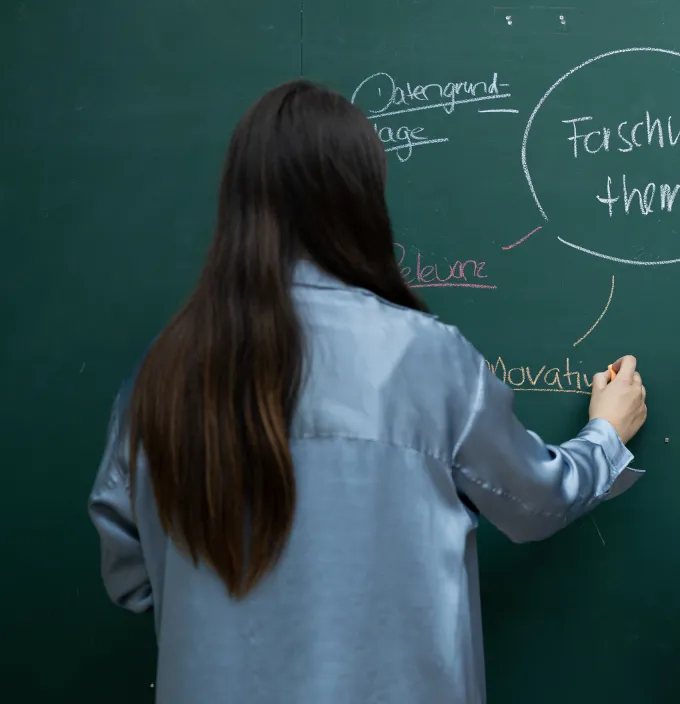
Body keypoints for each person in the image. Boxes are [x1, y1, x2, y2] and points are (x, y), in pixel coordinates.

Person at [87, 80, 648, 704]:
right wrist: (604, 437)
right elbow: (534, 500)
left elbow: (131, 575)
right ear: (359, 199)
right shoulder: (423, 356)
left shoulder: (165, 370)